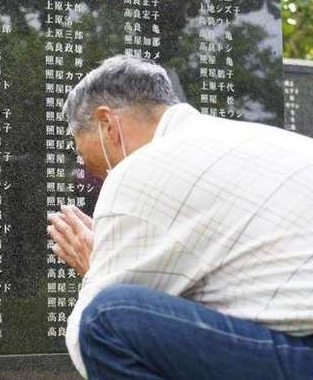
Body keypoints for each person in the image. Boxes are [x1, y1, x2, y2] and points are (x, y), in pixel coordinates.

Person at [47, 55, 313, 379]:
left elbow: (83, 342)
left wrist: (97, 268)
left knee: (104, 317)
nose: (94, 171)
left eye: (82, 154)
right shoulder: (265, 139)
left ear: (106, 123)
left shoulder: (141, 168)